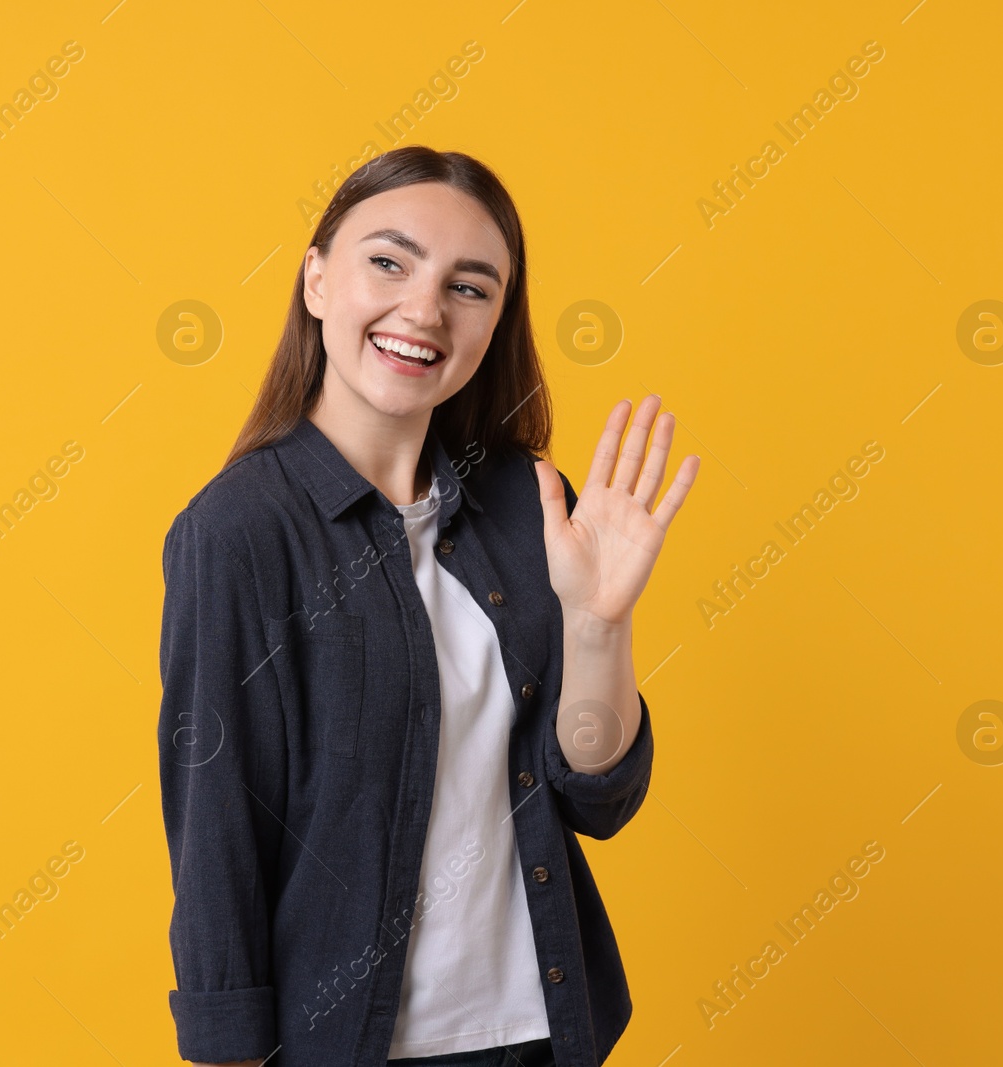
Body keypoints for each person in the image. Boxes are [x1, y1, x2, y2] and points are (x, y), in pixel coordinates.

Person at [157, 145, 699, 1067]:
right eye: (388, 261)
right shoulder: (240, 529)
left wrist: (600, 622)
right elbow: (217, 826)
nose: (424, 309)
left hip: (546, 1032)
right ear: (318, 279)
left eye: (469, 286)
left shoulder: (532, 505)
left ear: (494, 324)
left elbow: (597, 795)